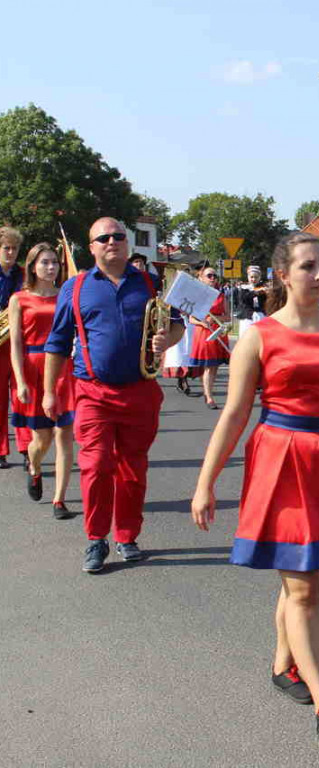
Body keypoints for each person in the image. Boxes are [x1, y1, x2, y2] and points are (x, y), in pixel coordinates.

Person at [191, 232, 319, 741]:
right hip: (282, 459)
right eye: (308, 267)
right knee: (305, 584)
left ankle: (283, 664)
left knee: (299, 574)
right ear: (283, 274)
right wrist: (205, 483)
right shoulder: (258, 335)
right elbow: (234, 414)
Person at [43, 217, 183, 574]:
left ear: (127, 242)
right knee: (95, 466)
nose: (112, 242)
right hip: (92, 392)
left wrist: (169, 339)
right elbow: (57, 343)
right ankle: (96, 538)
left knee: (132, 469)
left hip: (139, 391)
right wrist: (48, 392)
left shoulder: (151, 283)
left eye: (118, 236)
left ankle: (127, 535)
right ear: (91, 247)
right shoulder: (74, 288)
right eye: (103, 237)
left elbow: (177, 323)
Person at [9, 243, 75, 517]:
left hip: (64, 368)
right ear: (33, 266)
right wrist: (20, 381)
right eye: (45, 262)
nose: (51, 267)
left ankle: (59, 500)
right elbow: (15, 344)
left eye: (54, 263)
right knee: (42, 439)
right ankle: (34, 467)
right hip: (34, 368)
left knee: (64, 436)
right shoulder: (19, 299)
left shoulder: (67, 295)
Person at [1, 226, 32, 470]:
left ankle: (26, 448)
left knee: (22, 395)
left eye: (15, 248)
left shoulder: (24, 274)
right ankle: (1, 450)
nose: (11, 252)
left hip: (21, 341)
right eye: (6, 248)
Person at [187, 267, 231, 409]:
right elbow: (191, 319)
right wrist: (202, 322)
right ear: (202, 278)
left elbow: (228, 316)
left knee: (214, 367)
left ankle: (208, 393)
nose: (212, 278)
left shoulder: (221, 295)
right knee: (208, 366)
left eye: (214, 275)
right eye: (209, 275)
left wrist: (216, 318)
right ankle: (209, 396)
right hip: (203, 333)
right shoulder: (197, 296)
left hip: (217, 332)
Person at [233, 264, 269, 339]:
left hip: (260, 317)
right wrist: (256, 292)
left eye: (256, 277)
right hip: (247, 318)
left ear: (259, 277)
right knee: (246, 339)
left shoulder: (263, 288)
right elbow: (244, 300)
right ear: (248, 277)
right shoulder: (244, 288)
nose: (253, 279)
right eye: (251, 277)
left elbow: (265, 303)